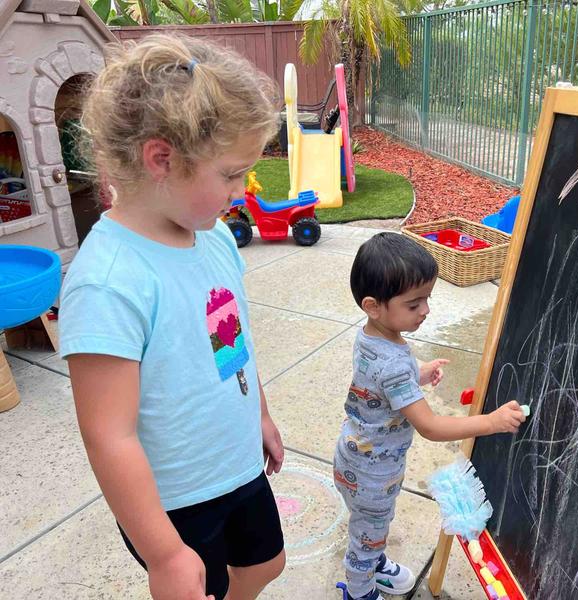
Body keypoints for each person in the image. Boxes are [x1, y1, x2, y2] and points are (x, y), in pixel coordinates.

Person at [59, 34, 285, 600]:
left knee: (265, 565)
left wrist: (259, 413)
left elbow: (232, 344)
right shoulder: (109, 281)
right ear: (161, 159)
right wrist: (163, 554)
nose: (243, 189)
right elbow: (108, 434)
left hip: (236, 462)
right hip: (175, 497)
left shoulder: (213, 242)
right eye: (232, 174)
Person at [334, 232, 526, 600]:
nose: (425, 310)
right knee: (366, 537)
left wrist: (416, 373)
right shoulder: (391, 363)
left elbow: (376, 382)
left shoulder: (373, 337)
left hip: (356, 459)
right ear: (373, 305)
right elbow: (430, 425)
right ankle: (360, 590)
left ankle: (374, 563)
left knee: (370, 527)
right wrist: (491, 422)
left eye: (428, 299)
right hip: (373, 473)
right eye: (414, 304)